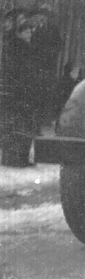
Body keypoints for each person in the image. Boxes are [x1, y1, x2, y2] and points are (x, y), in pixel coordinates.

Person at [1, 18, 38, 167]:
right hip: (17, 91)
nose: (29, 33)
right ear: (19, 33)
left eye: (30, 31)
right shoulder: (14, 48)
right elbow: (14, 70)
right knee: (16, 125)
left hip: (24, 90)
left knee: (24, 125)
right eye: (26, 31)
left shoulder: (27, 47)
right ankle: (13, 159)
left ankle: (21, 158)